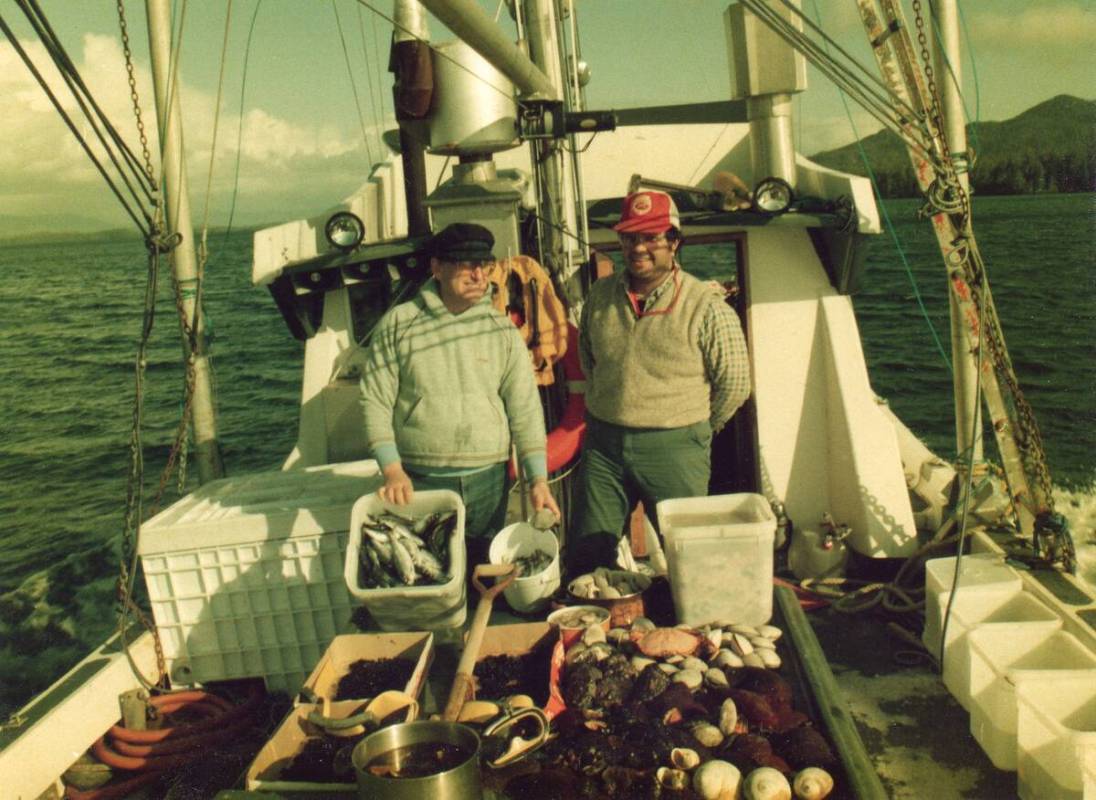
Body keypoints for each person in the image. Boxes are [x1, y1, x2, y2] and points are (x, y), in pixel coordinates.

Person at [360, 222, 560, 568]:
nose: (478, 274)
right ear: (436, 268)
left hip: (489, 481)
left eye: (483, 265)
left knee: (482, 570)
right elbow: (374, 400)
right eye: (465, 264)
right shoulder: (398, 323)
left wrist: (537, 479)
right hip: (420, 481)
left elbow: (525, 410)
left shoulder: (502, 330)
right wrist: (392, 470)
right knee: (429, 571)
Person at [572, 189, 751, 570]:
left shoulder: (706, 305)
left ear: (674, 242)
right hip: (603, 446)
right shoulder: (599, 297)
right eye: (630, 237)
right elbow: (590, 361)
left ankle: (688, 626)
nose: (639, 248)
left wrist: (697, 428)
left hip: (677, 448)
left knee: (687, 557)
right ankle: (599, 624)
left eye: (651, 237)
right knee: (589, 556)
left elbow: (735, 384)